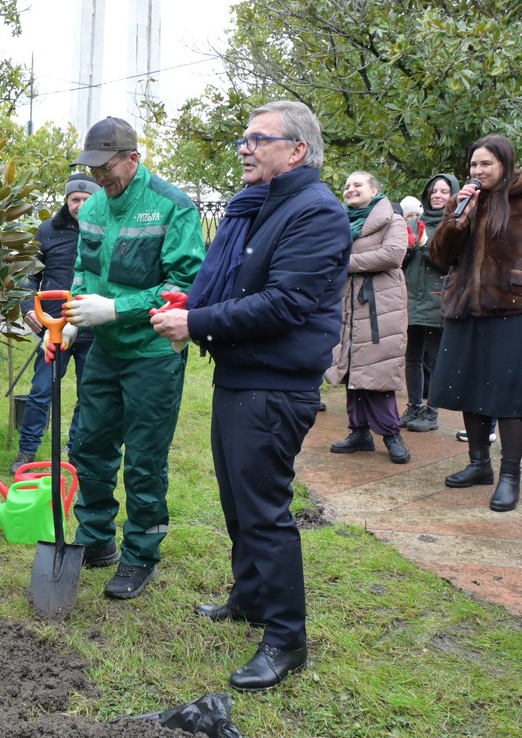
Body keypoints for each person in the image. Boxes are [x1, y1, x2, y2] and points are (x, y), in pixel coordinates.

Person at [151, 100, 349, 692]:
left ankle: (287, 639)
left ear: (296, 150)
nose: (244, 148)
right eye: (244, 138)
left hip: (276, 385)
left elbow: (286, 303)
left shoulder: (317, 213)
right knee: (239, 503)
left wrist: (200, 324)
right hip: (243, 376)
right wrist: (199, 305)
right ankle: (250, 598)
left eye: (257, 139)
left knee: (265, 512)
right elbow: (245, 285)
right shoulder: (260, 206)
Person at [64, 115, 204, 600]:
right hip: (104, 347)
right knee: (89, 445)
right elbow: (83, 267)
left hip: (152, 351)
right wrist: (77, 311)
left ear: (132, 158)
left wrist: (117, 307)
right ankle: (96, 538)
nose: (100, 176)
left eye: (107, 166)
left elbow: (184, 286)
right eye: (93, 167)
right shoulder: (94, 207)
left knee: (144, 458)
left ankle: (140, 553)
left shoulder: (172, 206)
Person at [427, 135, 522, 512]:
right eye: (473, 165)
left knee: (509, 396)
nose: (478, 171)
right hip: (465, 308)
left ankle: (510, 476)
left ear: (505, 163)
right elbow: (439, 257)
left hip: (515, 310)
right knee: (467, 387)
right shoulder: (466, 202)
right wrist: (458, 218)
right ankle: (479, 465)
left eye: (485, 164)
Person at [10, 172, 99, 474]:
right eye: (75, 199)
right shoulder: (47, 231)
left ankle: (77, 450)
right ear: (67, 200)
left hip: (91, 325)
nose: (80, 205)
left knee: (88, 392)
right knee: (41, 390)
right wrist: (27, 308)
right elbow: (26, 276)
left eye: (87, 200)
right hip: (54, 327)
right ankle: (27, 451)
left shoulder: (105, 228)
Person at [326, 171, 411, 464]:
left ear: (374, 190)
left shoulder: (393, 220)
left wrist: (345, 264)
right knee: (352, 368)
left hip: (380, 308)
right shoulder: (341, 223)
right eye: (347, 186)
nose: (350, 189)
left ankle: (392, 434)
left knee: (378, 370)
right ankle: (359, 432)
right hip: (348, 305)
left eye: (357, 185)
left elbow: (393, 255)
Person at [400, 174, 457, 433]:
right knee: (411, 356)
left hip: (436, 299)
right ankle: (413, 406)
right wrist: (410, 249)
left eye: (444, 191)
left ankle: (432, 411)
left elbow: (446, 263)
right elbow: (400, 260)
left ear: (453, 195)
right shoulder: (413, 223)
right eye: (434, 191)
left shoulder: (454, 225)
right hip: (410, 297)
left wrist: (423, 247)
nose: (437, 195)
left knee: (434, 358)